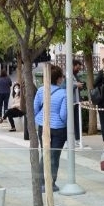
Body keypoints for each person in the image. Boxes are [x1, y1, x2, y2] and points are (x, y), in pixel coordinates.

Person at [34, 64, 68, 192]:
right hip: (59, 128)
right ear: (59, 79)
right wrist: (61, 122)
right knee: (54, 155)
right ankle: (51, 183)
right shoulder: (63, 93)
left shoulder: (41, 90)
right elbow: (64, 114)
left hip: (43, 125)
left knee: (45, 153)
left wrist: (42, 118)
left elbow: (35, 108)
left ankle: (41, 182)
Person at [71, 60, 84, 141]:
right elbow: (65, 86)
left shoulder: (76, 75)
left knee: (77, 120)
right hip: (71, 101)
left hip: (77, 101)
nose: (78, 69)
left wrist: (81, 85)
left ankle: (78, 139)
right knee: (71, 120)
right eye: (78, 67)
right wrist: (76, 85)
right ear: (73, 65)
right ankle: (72, 139)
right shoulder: (67, 74)